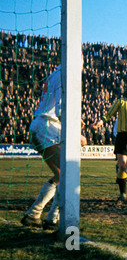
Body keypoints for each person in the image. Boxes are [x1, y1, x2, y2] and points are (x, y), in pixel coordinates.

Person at [21, 65, 87, 230]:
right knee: (70, 173)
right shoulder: (65, 74)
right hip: (47, 125)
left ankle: (34, 215)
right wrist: (75, 132)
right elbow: (60, 109)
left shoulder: (55, 73)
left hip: (41, 125)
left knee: (59, 175)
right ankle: (53, 219)